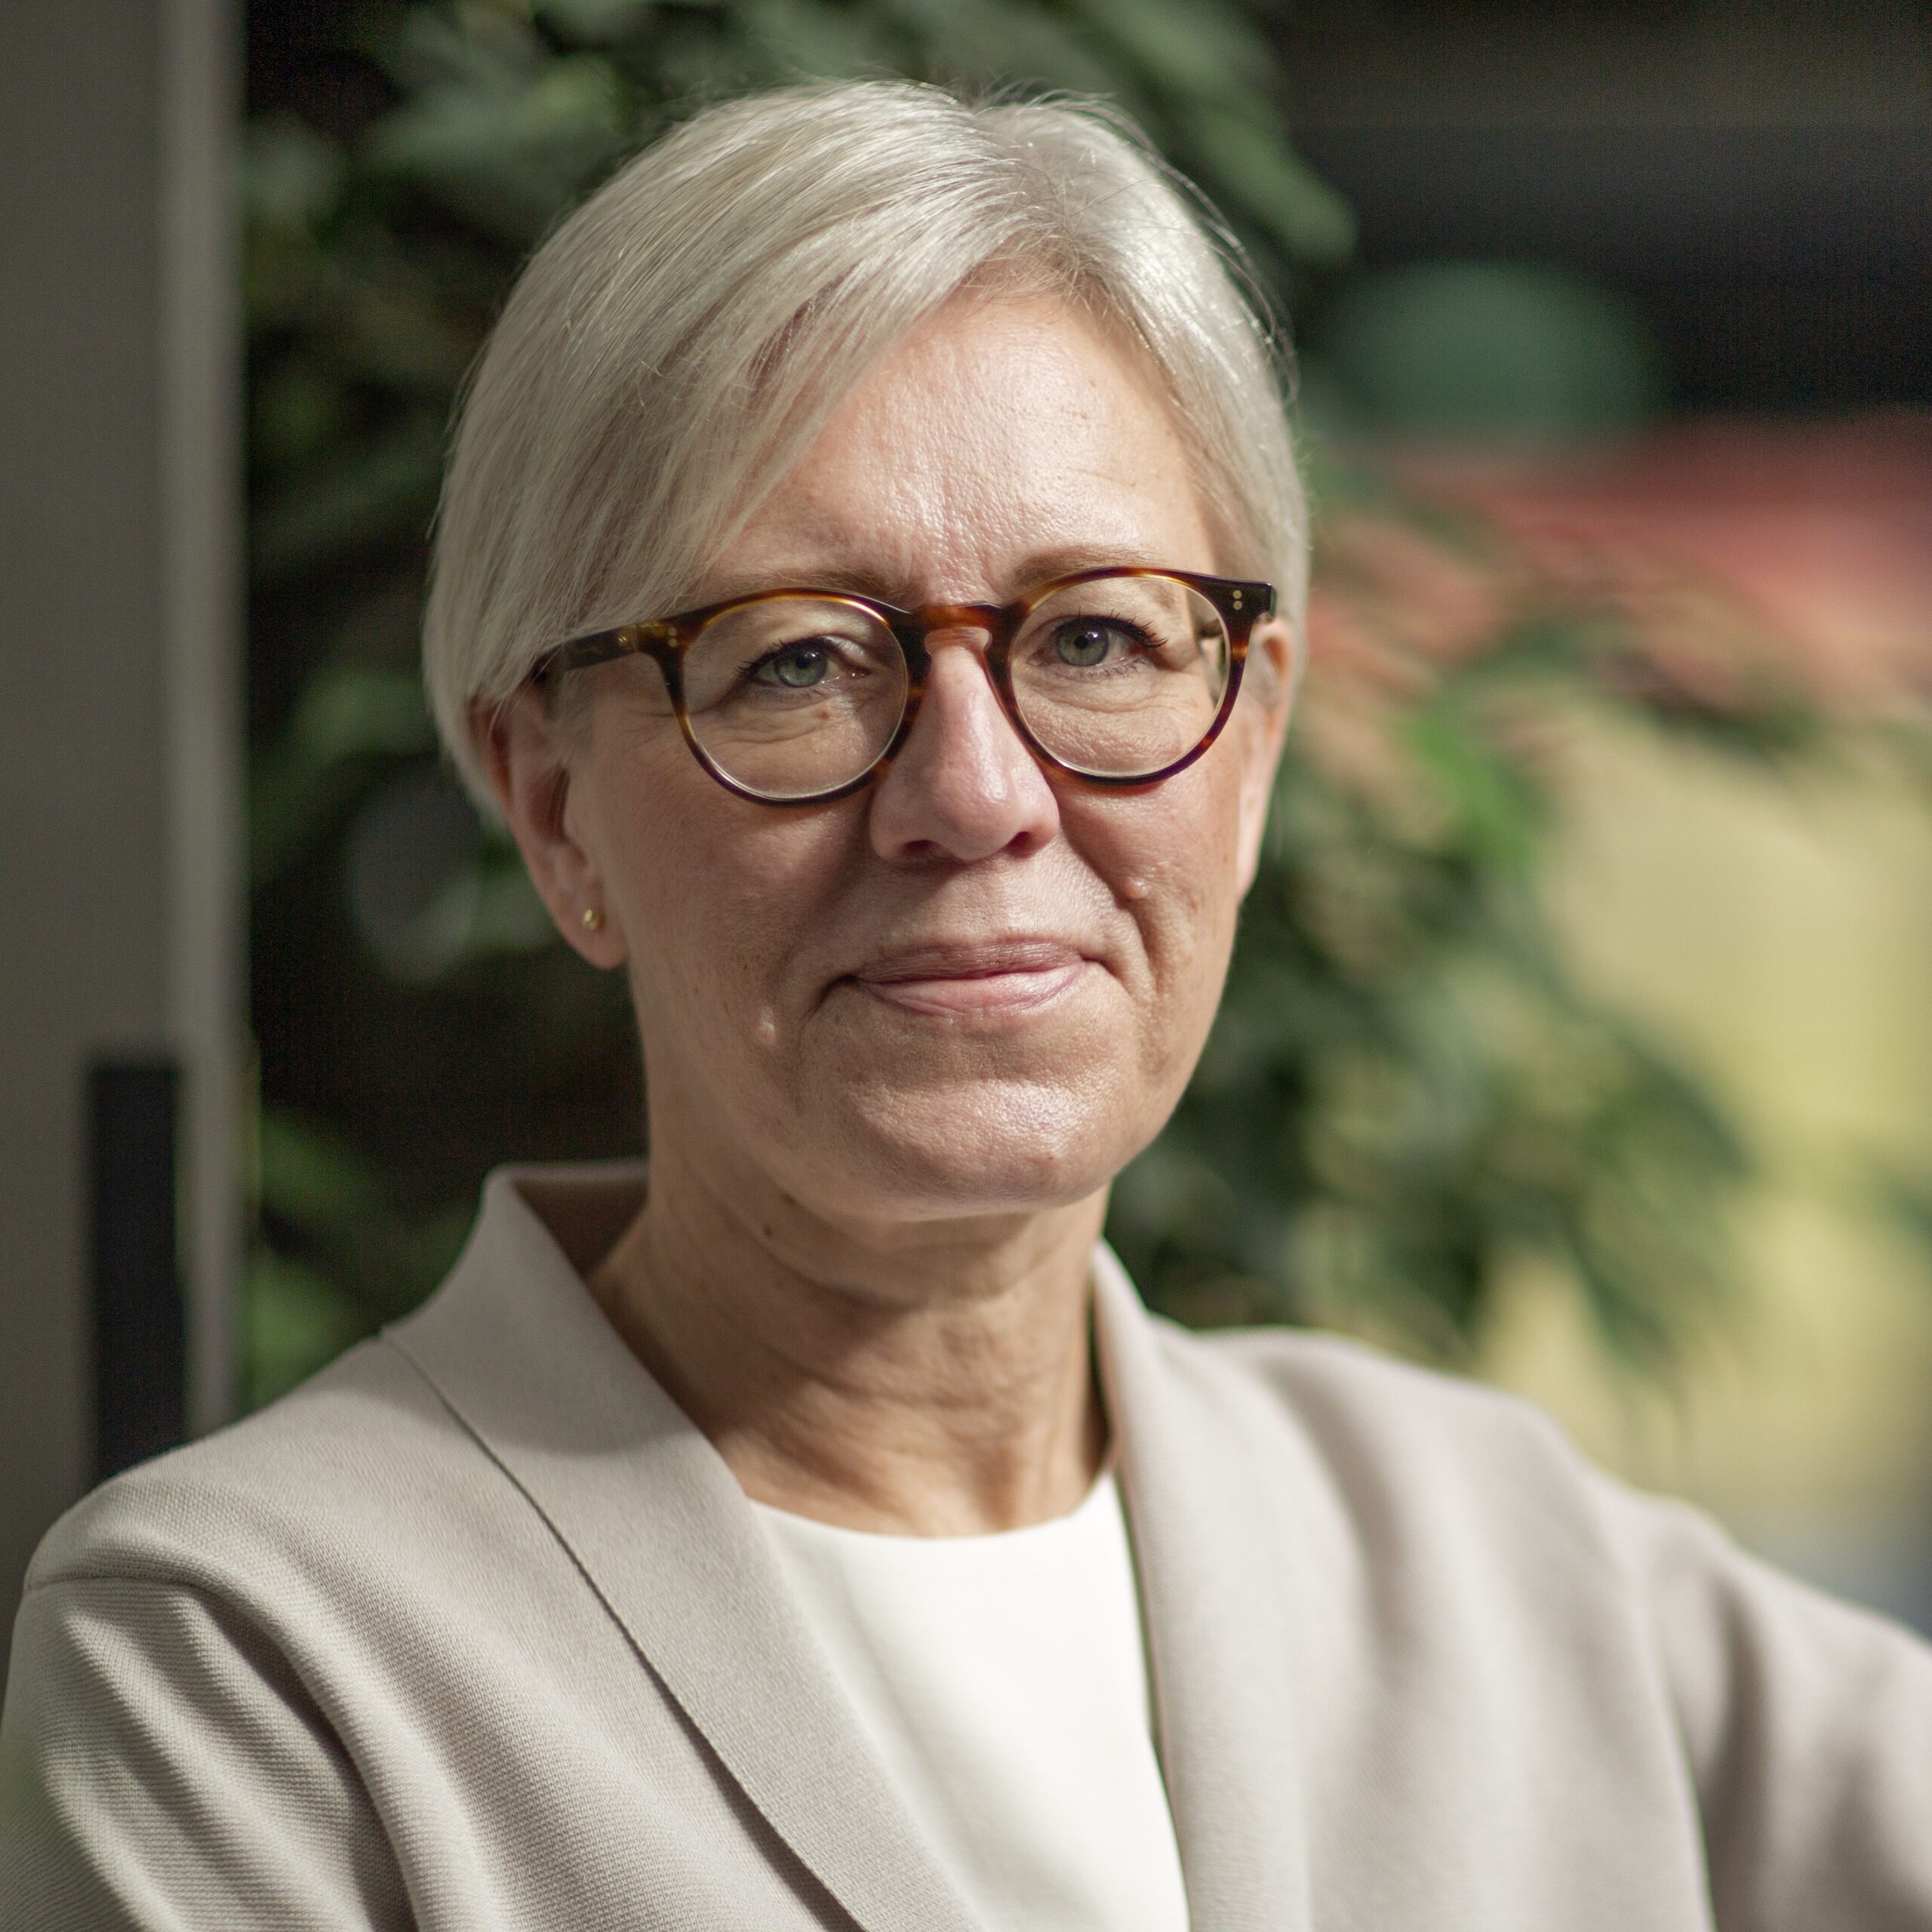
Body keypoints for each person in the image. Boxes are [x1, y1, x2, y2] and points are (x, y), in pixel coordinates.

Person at [3, 78, 1929, 1932]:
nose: (975, 792)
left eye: (1093, 635)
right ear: (551, 801)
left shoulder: (1495, 1554)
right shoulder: (257, 1659)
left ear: (1252, 746)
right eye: (792, 662)